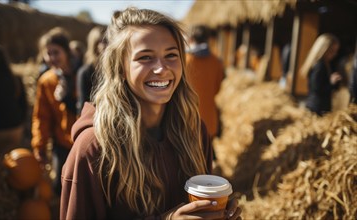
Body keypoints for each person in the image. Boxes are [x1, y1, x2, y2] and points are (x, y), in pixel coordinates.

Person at [60, 7, 241, 220]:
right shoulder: (92, 148)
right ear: (120, 68)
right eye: (145, 57)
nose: (161, 68)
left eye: (171, 55)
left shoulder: (195, 130)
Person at [31, 27, 78, 196]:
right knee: (60, 187)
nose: (52, 58)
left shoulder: (81, 75)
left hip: (83, 143)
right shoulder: (46, 81)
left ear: (66, 51)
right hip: (61, 143)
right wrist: (40, 146)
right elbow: (41, 117)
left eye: (56, 52)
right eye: (48, 53)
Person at [300, 33, 342, 116]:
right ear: (324, 50)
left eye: (335, 51)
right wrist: (331, 82)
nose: (334, 54)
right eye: (332, 51)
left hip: (315, 105)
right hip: (317, 108)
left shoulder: (320, 64)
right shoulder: (320, 65)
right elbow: (317, 88)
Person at [76, 26, 107, 115]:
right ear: (94, 45)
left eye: (108, 40)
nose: (106, 45)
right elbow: (83, 105)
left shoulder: (117, 69)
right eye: (102, 41)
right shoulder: (85, 72)